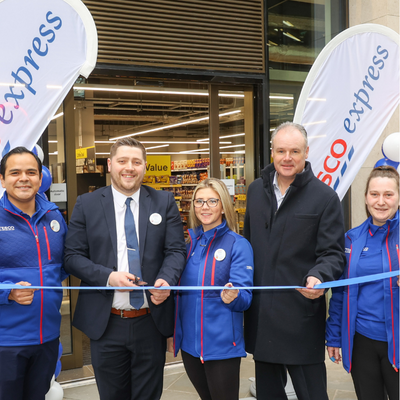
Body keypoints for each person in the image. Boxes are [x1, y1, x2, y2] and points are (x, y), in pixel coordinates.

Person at [64, 137, 186, 400]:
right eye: (122, 161)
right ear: (110, 164)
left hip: (150, 320)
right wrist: (108, 277)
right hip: (106, 322)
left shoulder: (164, 202)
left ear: (144, 166)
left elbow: (176, 250)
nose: (129, 167)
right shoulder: (87, 204)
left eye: (136, 162)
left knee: (148, 395)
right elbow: (72, 256)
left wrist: (166, 280)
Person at [243, 121, 346, 400]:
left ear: (306, 152)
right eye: (281, 151)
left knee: (312, 394)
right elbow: (247, 245)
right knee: (268, 394)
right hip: (262, 318)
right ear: (272, 152)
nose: (287, 158)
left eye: (295, 151)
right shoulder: (254, 192)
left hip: (300, 316)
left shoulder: (325, 198)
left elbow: (334, 253)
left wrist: (320, 275)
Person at [173, 178, 254, 400]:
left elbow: (245, 297)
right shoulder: (189, 245)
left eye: (211, 200)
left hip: (222, 346)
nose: (205, 207)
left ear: (223, 205)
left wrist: (233, 296)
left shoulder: (238, 244)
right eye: (199, 201)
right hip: (190, 346)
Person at [326, 166, 399, 400]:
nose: (381, 201)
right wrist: (334, 336)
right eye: (374, 194)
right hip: (361, 341)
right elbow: (339, 292)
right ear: (366, 198)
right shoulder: (351, 238)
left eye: (388, 194)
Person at [0, 146, 68, 400]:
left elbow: (65, 263)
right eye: (15, 172)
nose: (24, 178)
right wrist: (8, 292)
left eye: (31, 172)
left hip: (47, 337)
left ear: (41, 178)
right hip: (6, 342)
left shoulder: (53, 216)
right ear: (2, 179)